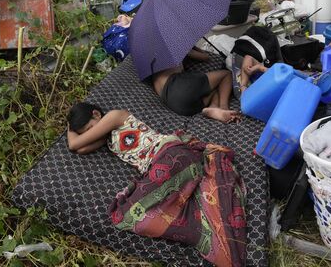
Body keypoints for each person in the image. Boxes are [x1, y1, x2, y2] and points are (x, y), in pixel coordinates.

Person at [65, 103, 247, 266]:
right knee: (139, 215)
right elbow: (80, 147)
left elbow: (74, 144)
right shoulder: (106, 137)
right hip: (162, 166)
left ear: (96, 114)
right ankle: (201, 226)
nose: (89, 133)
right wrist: (77, 129)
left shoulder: (114, 116)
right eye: (86, 132)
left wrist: (69, 126)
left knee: (126, 215)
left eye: (89, 128)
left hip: (168, 154)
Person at [151, 48, 240, 123]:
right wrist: (191, 48)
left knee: (218, 87)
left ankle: (214, 107)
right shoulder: (174, 46)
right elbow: (205, 57)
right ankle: (224, 107)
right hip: (179, 85)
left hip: (178, 106)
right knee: (226, 74)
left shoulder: (152, 64)